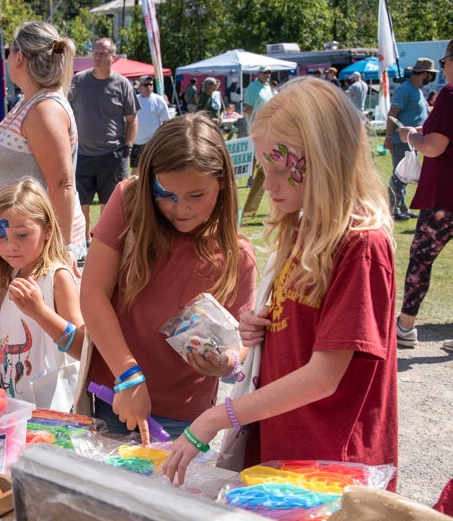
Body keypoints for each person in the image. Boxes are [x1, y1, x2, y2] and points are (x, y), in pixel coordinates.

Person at [162, 78, 398, 491]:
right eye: (263, 170)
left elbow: (325, 375)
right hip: (284, 447)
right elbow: (310, 331)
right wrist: (265, 329)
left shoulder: (362, 245)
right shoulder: (305, 231)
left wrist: (220, 415)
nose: (267, 185)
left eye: (277, 170)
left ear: (323, 161)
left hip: (330, 465)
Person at [80, 114, 256, 439]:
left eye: (196, 196)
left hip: (183, 420)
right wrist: (129, 376)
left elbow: (240, 336)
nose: (180, 208)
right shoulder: (130, 201)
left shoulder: (238, 254)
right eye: (166, 194)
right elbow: (92, 294)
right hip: (115, 398)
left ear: (222, 183)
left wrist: (227, 361)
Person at [0, 21, 87, 262]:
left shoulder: (44, 109)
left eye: (8, 52)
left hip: (38, 246)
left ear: (19, 57)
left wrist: (64, 249)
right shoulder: (29, 101)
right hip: (18, 240)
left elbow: (62, 185)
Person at [0, 178, 84, 412]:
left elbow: (80, 347)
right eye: (1, 236)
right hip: (18, 406)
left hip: (53, 411)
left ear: (47, 229)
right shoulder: (13, 276)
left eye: (22, 235)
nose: (10, 246)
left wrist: (39, 311)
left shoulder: (57, 277)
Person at [394, 40, 453, 350]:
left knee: (421, 259)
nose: (441, 68)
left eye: (444, 61)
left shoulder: (449, 94)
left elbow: (434, 146)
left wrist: (410, 136)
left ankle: (405, 326)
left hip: (445, 195)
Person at [69, 37, 139, 238]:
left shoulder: (122, 84)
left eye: (102, 54)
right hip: (82, 155)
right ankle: (84, 245)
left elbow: (132, 119)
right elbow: (65, 113)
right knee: (81, 205)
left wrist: (127, 148)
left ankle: (104, 243)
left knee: (111, 206)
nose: (97, 57)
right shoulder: (78, 82)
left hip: (112, 155)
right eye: (95, 53)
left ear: (112, 57)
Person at [385, 57, 437, 221]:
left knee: (407, 175)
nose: (431, 78)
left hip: (412, 141)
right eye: (430, 74)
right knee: (399, 175)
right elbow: (392, 114)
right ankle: (392, 209)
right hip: (402, 140)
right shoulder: (405, 90)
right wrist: (388, 136)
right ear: (423, 74)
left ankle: (401, 207)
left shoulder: (417, 90)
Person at [242, 66, 276, 215]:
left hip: (270, 126)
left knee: (268, 154)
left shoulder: (267, 86)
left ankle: (269, 177)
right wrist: (257, 121)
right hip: (257, 127)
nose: (267, 75)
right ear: (259, 74)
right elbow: (247, 107)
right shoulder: (252, 87)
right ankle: (251, 178)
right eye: (265, 72)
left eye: (269, 72)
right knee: (256, 155)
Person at [130, 75, 172, 174]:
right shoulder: (134, 100)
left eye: (151, 84)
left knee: (152, 169)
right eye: (146, 85)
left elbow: (166, 121)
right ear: (140, 86)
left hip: (153, 141)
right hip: (137, 141)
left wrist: (162, 139)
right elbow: (128, 120)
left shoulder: (159, 100)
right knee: (136, 170)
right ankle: (134, 189)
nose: (148, 87)